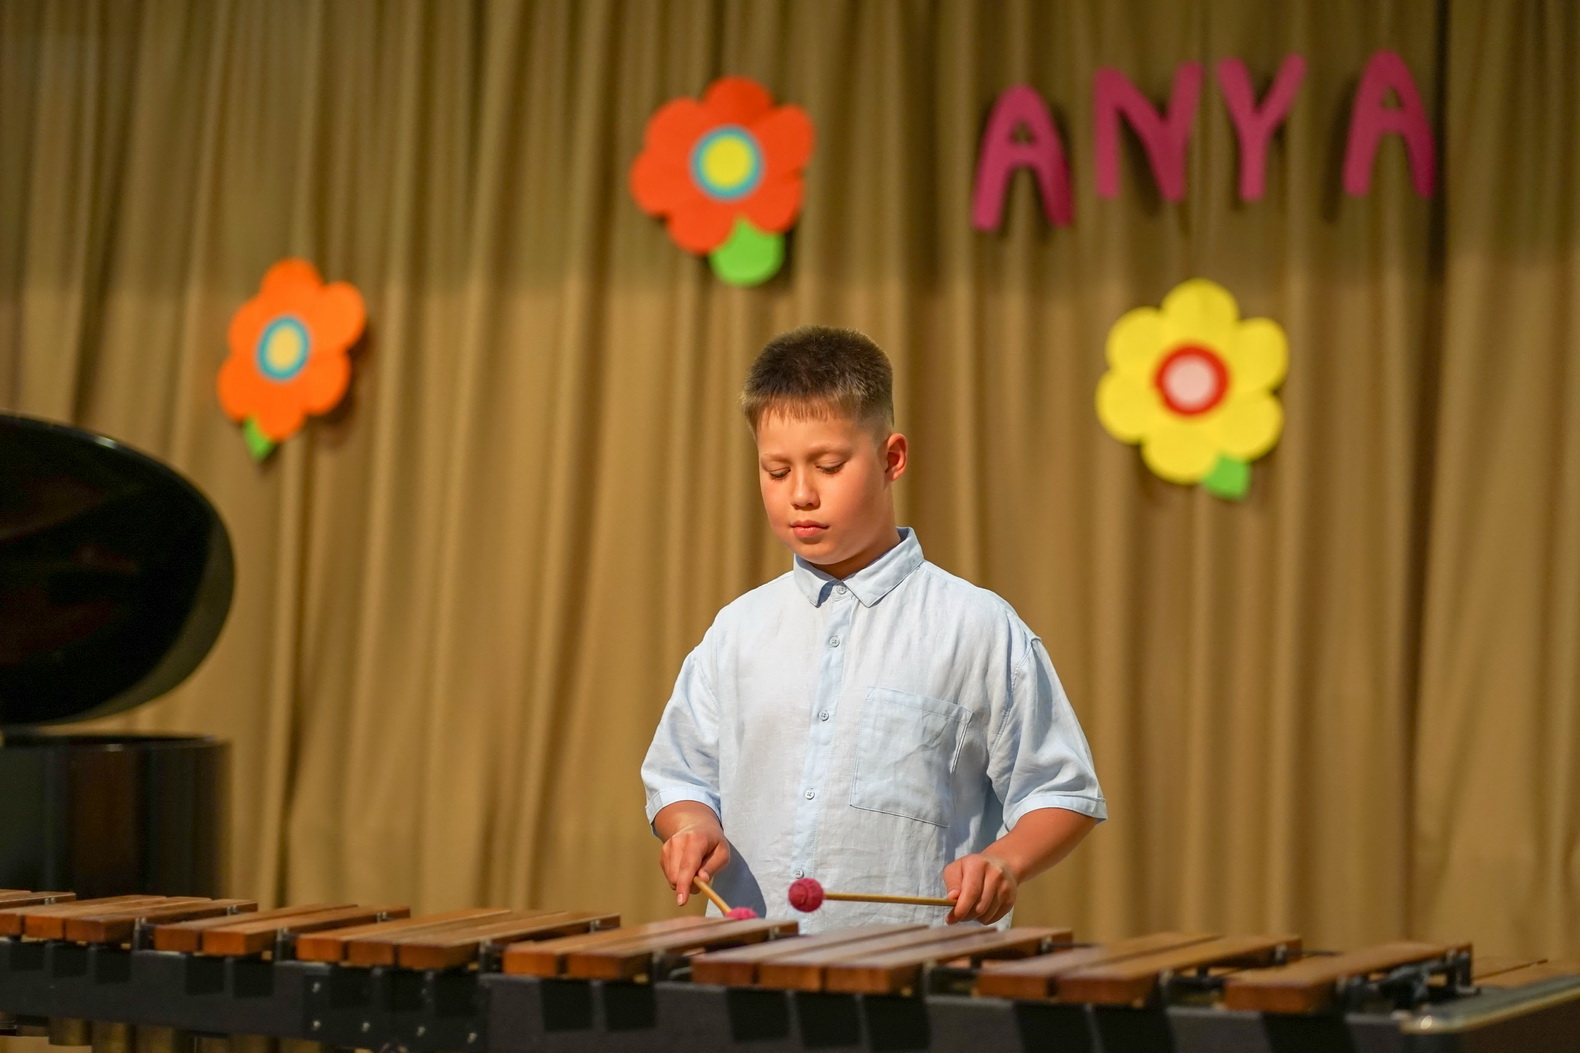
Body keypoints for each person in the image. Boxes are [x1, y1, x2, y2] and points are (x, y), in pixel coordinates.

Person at [641, 325, 1105, 930]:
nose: (800, 494)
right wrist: (691, 826)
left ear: (892, 459)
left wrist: (1003, 862)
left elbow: (1059, 792)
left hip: (916, 967)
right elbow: (681, 777)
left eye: (828, 466)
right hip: (747, 962)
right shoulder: (736, 632)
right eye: (776, 471)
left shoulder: (978, 628)